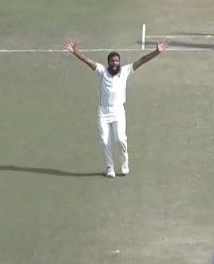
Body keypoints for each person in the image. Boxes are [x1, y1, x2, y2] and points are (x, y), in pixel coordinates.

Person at [64, 38, 167, 178]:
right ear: (108, 63)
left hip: (118, 112)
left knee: (120, 139)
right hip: (103, 112)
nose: (115, 63)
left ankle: (124, 164)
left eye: (117, 61)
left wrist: (156, 52)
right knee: (105, 141)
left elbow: (142, 60)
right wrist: (75, 52)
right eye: (112, 61)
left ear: (119, 62)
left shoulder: (125, 71)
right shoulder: (102, 71)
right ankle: (110, 168)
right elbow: (88, 61)